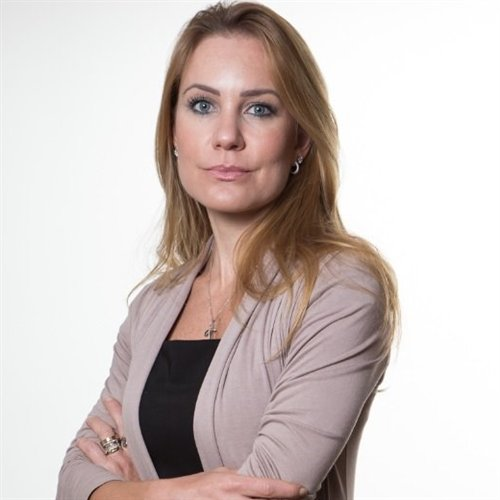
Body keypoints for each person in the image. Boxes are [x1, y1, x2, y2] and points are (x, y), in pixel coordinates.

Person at [56, 2, 399, 499]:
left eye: (259, 109)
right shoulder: (153, 306)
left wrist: (128, 489)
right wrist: (161, 495)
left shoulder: (339, 289)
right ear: (172, 131)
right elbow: (73, 478)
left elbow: (263, 490)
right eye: (202, 105)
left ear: (301, 138)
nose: (226, 137)